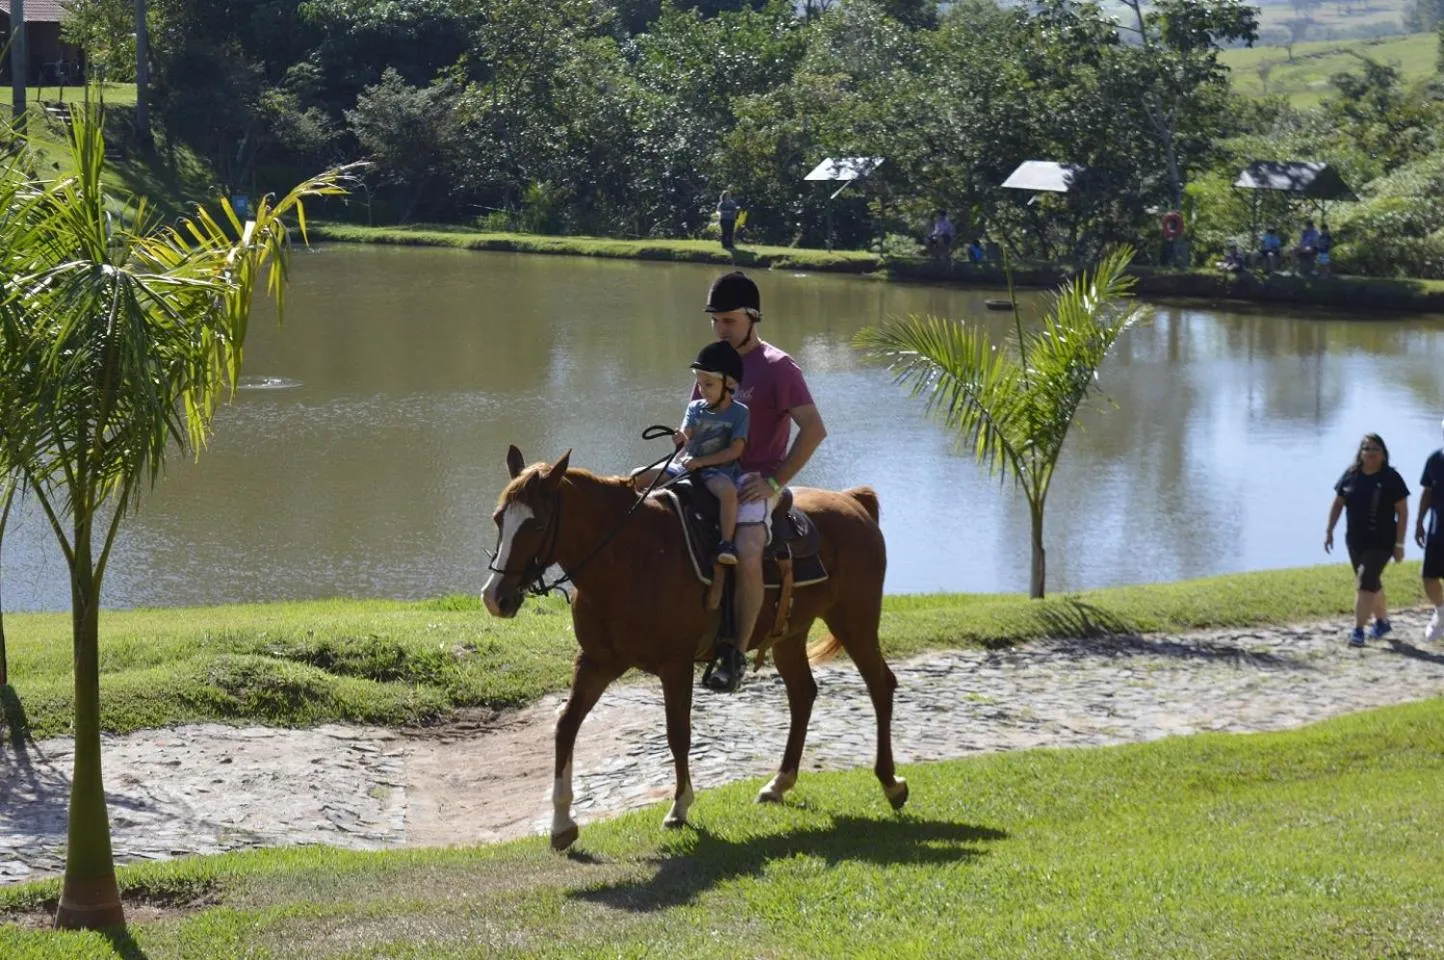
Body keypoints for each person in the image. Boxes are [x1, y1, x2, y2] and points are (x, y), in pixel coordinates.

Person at [698, 270, 826, 692]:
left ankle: (734, 655)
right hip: (711, 470)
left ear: (753, 317)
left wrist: (775, 481)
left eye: (729, 320)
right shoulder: (714, 360)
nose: (721, 329)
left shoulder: (779, 368)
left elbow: (813, 431)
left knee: (749, 548)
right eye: (715, 320)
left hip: (756, 481)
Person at [633, 341, 749, 564]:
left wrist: (702, 462)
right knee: (637, 475)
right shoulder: (695, 407)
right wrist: (681, 438)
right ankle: (633, 524)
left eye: (708, 384)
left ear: (730, 383)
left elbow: (736, 450)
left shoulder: (740, 413)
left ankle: (726, 543)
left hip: (718, 471)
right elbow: (687, 432)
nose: (702, 390)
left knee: (728, 493)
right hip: (686, 465)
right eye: (699, 384)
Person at [1325, 433, 1410, 647]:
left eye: (1375, 449)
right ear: (1360, 453)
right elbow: (1337, 504)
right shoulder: (1350, 475)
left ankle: (1358, 631)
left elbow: (1403, 512)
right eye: (1367, 448)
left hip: (1382, 541)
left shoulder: (1391, 478)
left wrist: (1400, 544)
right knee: (1371, 582)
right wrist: (1329, 531)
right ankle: (1382, 622)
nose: (1371, 453)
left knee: (1364, 582)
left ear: (1383, 454)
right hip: (1355, 540)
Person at [1414, 420, 1444, 643]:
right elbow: (1427, 492)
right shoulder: (1436, 459)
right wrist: (1419, 522)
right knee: (1428, 576)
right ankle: (1441, 613)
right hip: (1438, 530)